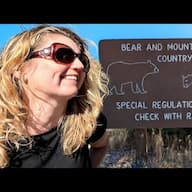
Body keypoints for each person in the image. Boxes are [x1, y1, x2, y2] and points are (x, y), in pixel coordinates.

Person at [0, 24, 110, 168]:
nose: (79, 65)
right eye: (63, 55)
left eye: (82, 59)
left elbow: (101, 146)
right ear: (20, 68)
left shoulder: (88, 121)